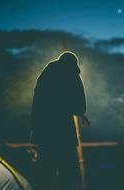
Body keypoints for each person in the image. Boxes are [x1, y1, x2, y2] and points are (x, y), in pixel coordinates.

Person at [31, 51, 87, 190]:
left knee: (45, 177)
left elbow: (37, 106)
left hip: (44, 134)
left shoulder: (46, 75)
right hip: (64, 135)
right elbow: (80, 107)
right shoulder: (71, 75)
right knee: (67, 176)